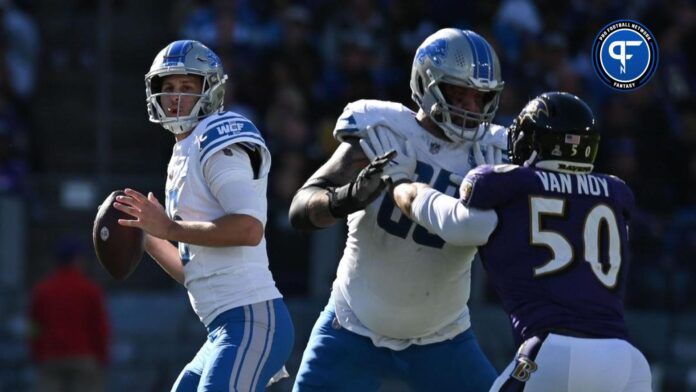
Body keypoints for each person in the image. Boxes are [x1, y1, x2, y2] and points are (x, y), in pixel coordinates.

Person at [384, 92, 653, 391]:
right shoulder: (615, 193)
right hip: (627, 359)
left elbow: (454, 219)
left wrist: (403, 186)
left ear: (531, 141)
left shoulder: (508, 188)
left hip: (553, 349)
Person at [289, 28, 506, 391]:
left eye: (480, 97)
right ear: (426, 83)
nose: (470, 107)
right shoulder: (384, 130)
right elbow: (300, 210)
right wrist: (348, 198)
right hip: (351, 326)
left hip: (444, 337)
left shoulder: (495, 152)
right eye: (459, 92)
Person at [113, 40, 294, 392]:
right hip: (222, 328)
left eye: (187, 87)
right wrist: (149, 237)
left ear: (210, 90)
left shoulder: (218, 137)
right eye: (168, 88)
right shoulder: (183, 151)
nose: (176, 97)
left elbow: (248, 228)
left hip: (251, 319)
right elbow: (195, 273)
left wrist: (168, 225)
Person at [29, 238, 110, 392]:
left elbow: (34, 327)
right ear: (76, 259)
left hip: (51, 357)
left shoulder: (43, 289)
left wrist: (37, 354)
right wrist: (102, 356)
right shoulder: (89, 289)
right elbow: (99, 326)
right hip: (84, 357)